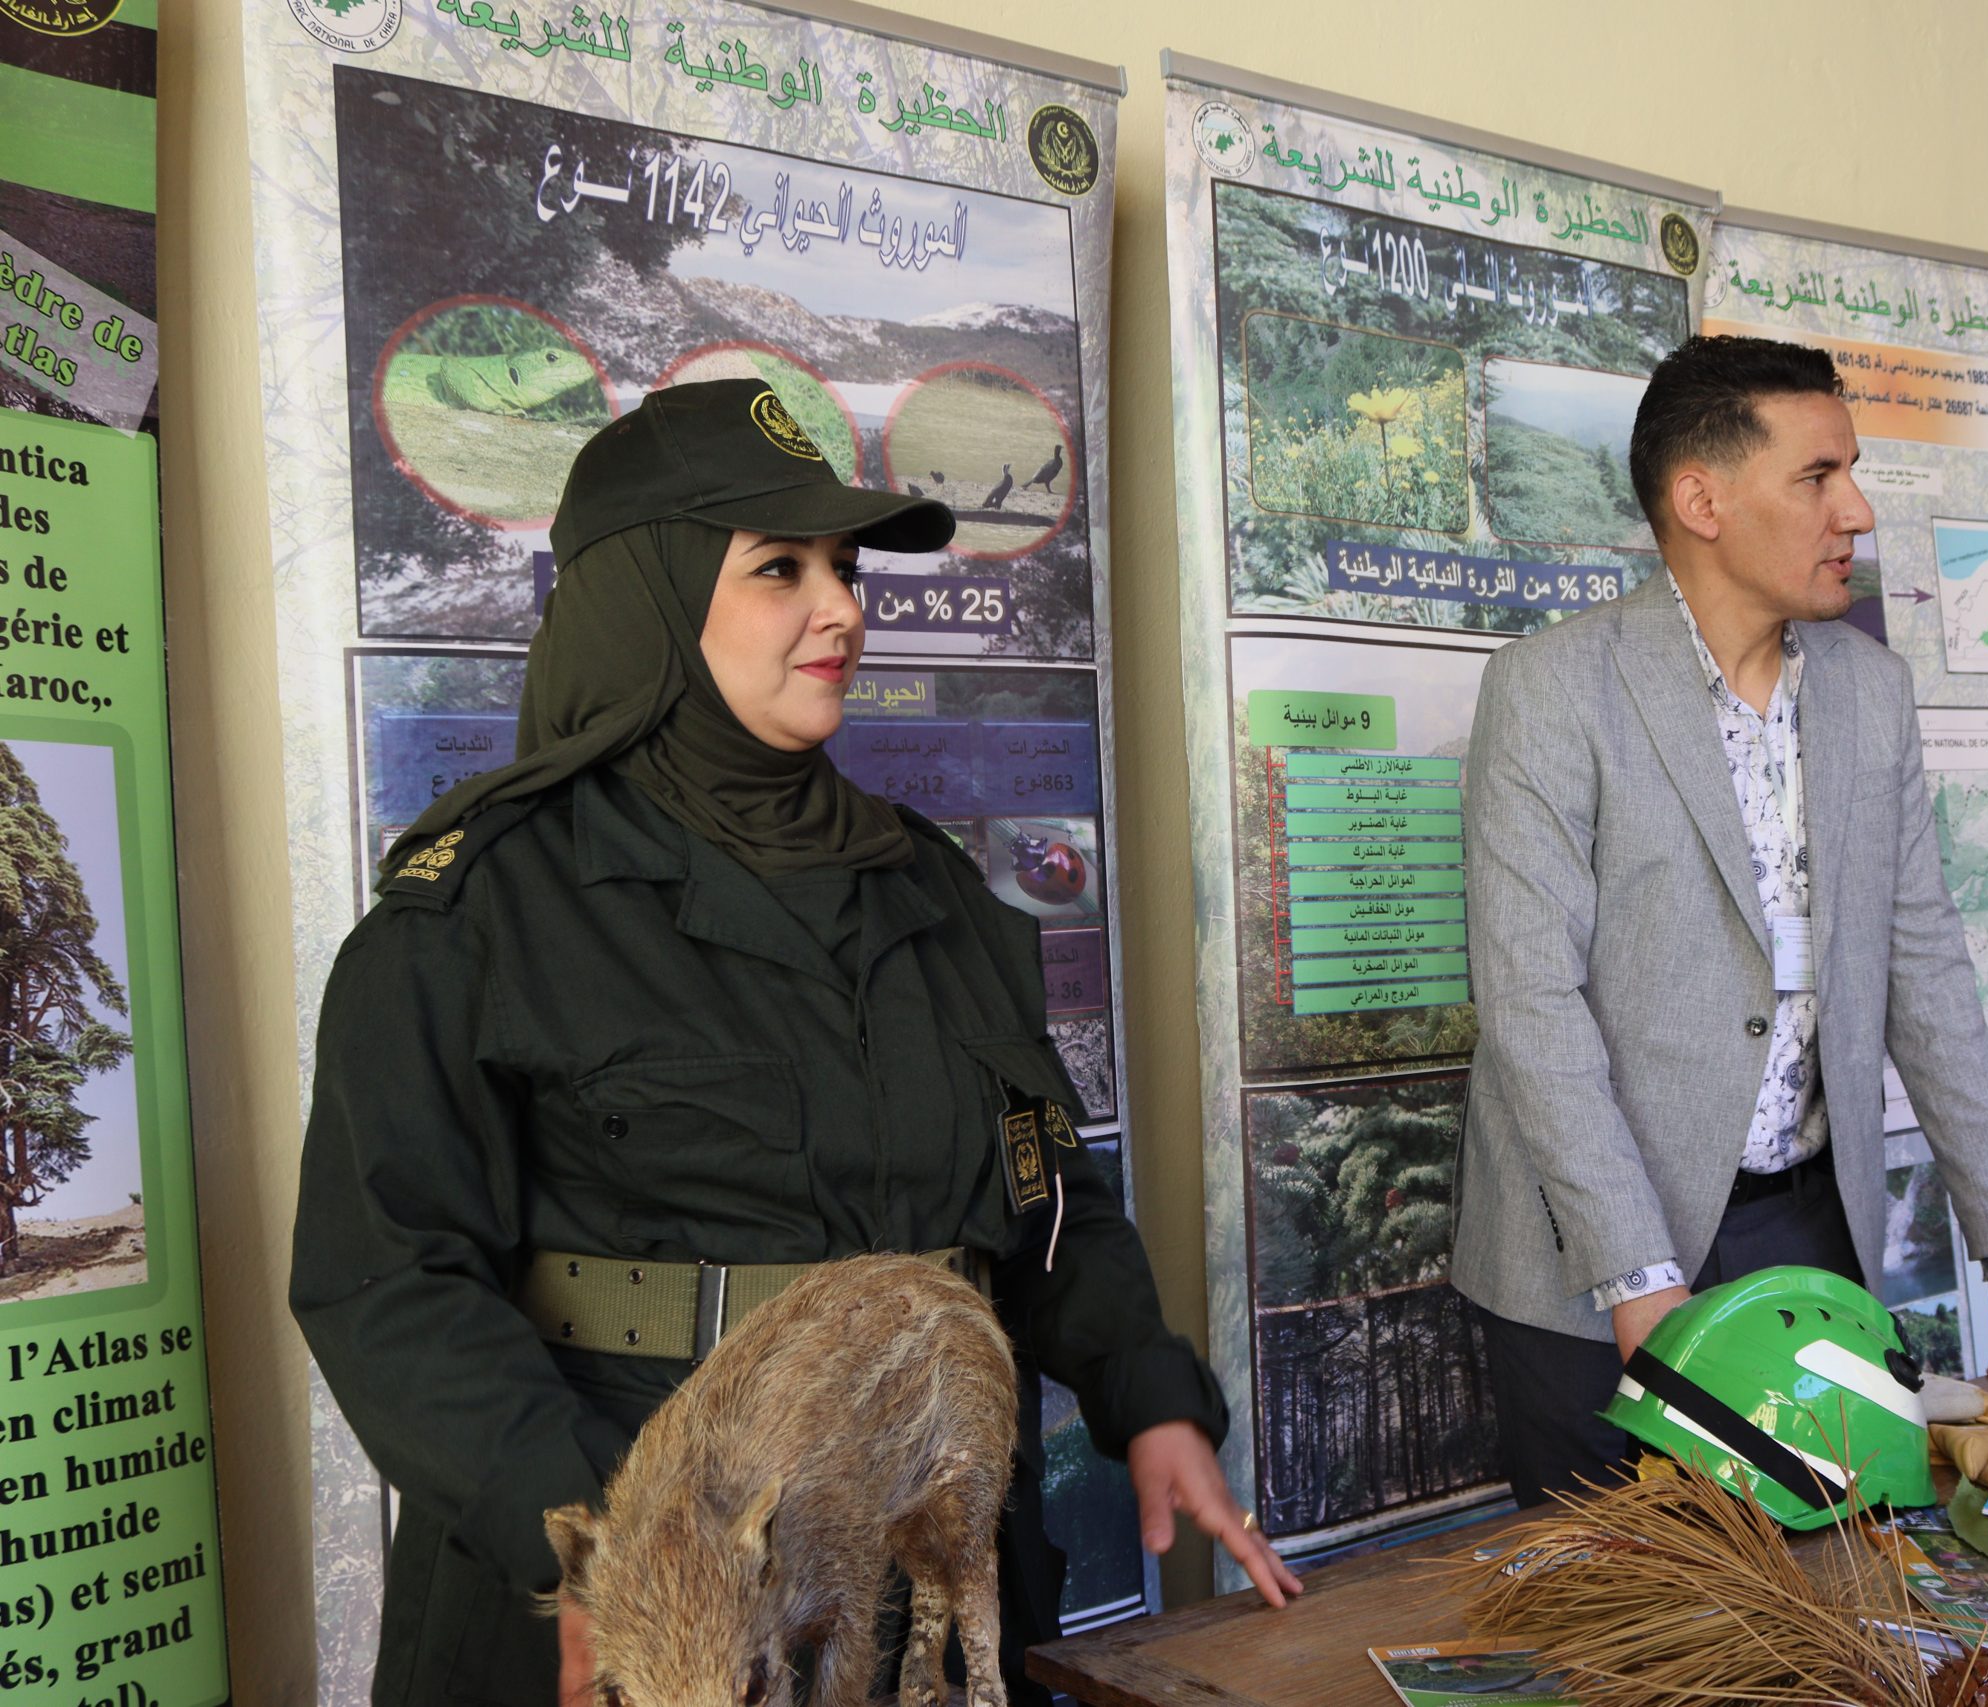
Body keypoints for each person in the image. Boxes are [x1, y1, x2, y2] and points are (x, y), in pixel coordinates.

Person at [289, 380, 1299, 1707]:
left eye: (844, 568)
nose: (841, 609)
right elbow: (389, 1283)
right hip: (641, 1591)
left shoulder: (928, 885)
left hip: (910, 1571)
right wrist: (609, 1564)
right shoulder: (487, 908)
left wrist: (1149, 1393)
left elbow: (1044, 1191)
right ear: (648, 597)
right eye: (781, 569)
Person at [1449, 335, 1988, 1509]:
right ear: (1703, 502)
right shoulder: (1554, 690)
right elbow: (1532, 1005)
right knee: (1630, 1600)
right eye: (1818, 476)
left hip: (1807, 1242)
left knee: (1828, 1576)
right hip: (1590, 1264)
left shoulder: (1869, 694)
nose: (1857, 512)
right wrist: (1637, 1277)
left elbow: (1924, 971)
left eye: (1854, 473)